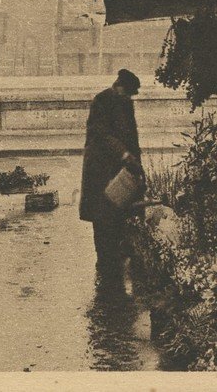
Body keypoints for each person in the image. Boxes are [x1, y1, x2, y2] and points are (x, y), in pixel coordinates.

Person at [79, 69, 143, 291]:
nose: (129, 98)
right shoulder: (102, 101)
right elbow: (103, 135)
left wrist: (136, 162)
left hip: (118, 170)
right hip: (100, 169)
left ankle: (112, 264)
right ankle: (105, 265)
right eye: (128, 93)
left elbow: (131, 137)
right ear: (119, 86)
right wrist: (125, 154)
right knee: (102, 217)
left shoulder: (124, 102)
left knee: (116, 215)